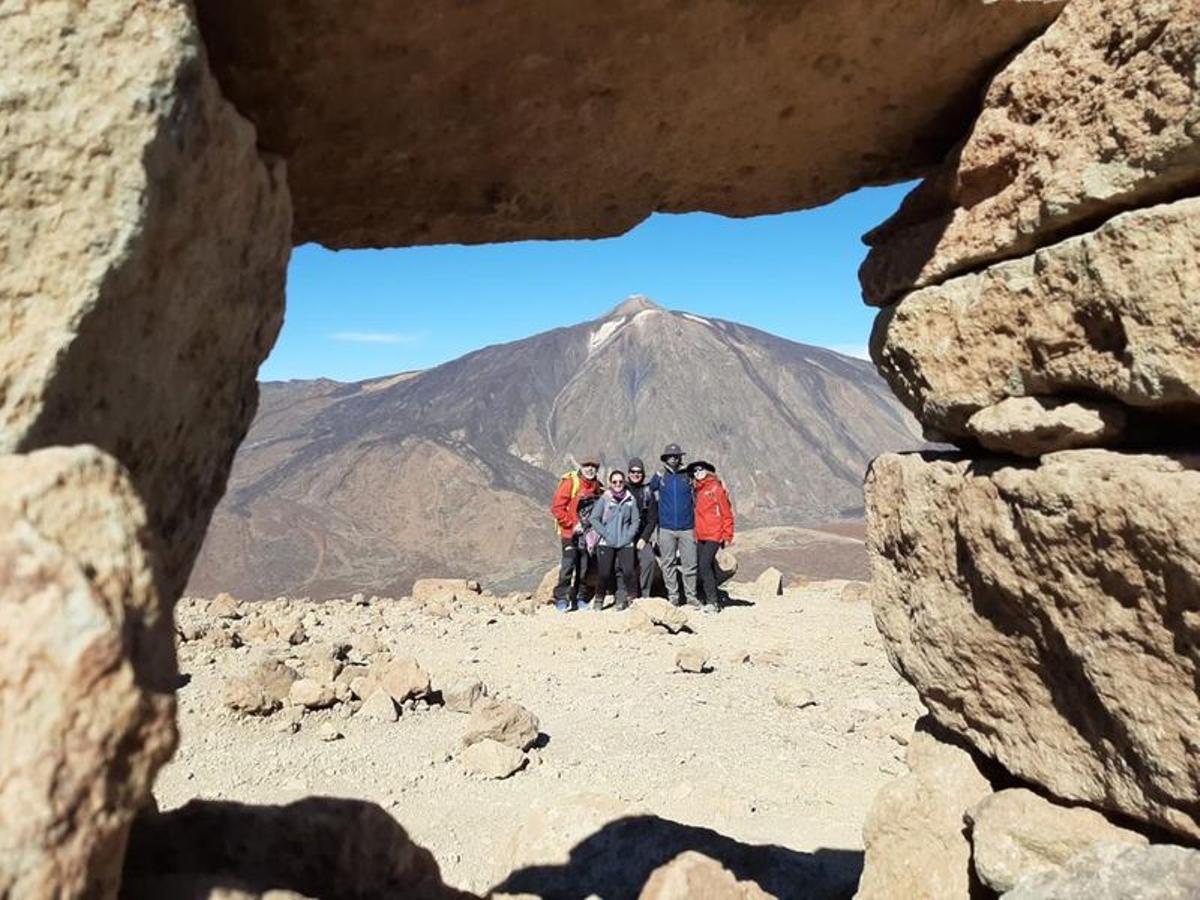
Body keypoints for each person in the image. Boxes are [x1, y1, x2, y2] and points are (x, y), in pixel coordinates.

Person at [649, 443, 699, 609]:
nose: (673, 458)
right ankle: (673, 597)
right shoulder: (659, 477)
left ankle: (691, 597)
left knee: (690, 564)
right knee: (668, 563)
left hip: (687, 528)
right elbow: (648, 495)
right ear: (665, 458)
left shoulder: (688, 476)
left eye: (676, 455)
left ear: (680, 457)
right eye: (670, 456)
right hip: (666, 528)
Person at [549, 454, 602, 612]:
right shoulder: (570, 483)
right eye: (587, 466)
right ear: (581, 467)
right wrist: (572, 524)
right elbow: (557, 508)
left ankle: (580, 597)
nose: (590, 469)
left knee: (584, 566)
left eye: (594, 467)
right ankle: (561, 598)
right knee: (569, 564)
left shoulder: (596, 486)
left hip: (587, 535)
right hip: (569, 533)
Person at [589, 470, 641, 610]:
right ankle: (599, 598)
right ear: (610, 483)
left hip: (625, 542)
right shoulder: (605, 499)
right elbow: (594, 518)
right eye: (614, 482)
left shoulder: (630, 500)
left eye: (620, 481)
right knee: (604, 573)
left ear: (624, 483)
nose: (618, 484)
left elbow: (636, 520)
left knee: (629, 571)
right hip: (606, 542)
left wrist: (629, 535)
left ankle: (632, 599)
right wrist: (605, 533)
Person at [690, 460, 735, 614]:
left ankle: (713, 602)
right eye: (695, 472)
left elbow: (726, 513)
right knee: (701, 566)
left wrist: (727, 534)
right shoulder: (697, 490)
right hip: (701, 534)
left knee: (704, 565)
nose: (698, 474)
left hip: (714, 534)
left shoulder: (716, 489)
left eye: (701, 471)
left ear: (708, 471)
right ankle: (710, 595)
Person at [623, 457, 659, 602]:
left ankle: (645, 594)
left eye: (639, 472)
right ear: (628, 473)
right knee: (625, 561)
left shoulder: (647, 492)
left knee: (648, 559)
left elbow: (652, 519)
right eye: (633, 471)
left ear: (643, 474)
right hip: (624, 536)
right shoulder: (622, 490)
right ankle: (628, 593)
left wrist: (644, 538)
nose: (636, 474)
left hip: (641, 537)